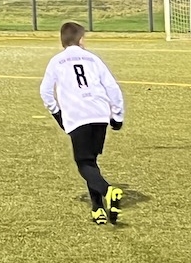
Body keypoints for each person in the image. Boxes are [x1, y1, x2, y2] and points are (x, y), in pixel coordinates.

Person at [40, 21, 127, 225]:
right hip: (99, 114)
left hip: (77, 116)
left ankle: (108, 191)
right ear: (80, 39)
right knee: (91, 161)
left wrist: (57, 114)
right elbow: (112, 87)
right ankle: (98, 209)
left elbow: (45, 91)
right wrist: (117, 116)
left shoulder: (57, 61)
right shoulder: (93, 58)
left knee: (84, 163)